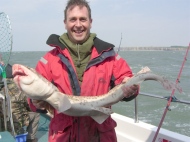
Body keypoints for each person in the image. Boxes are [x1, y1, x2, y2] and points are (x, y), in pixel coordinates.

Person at [28, 0, 139, 141]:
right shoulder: (49, 60)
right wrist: (35, 100)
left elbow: (127, 78)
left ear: (90, 22)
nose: (78, 25)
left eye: (83, 19)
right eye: (73, 19)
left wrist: (131, 87)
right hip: (64, 136)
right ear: (65, 23)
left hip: (100, 135)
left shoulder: (109, 56)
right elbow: (33, 101)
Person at [0, 64, 40, 142]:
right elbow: (29, 105)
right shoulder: (19, 88)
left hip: (1, 124)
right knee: (35, 113)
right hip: (15, 125)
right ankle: (30, 138)